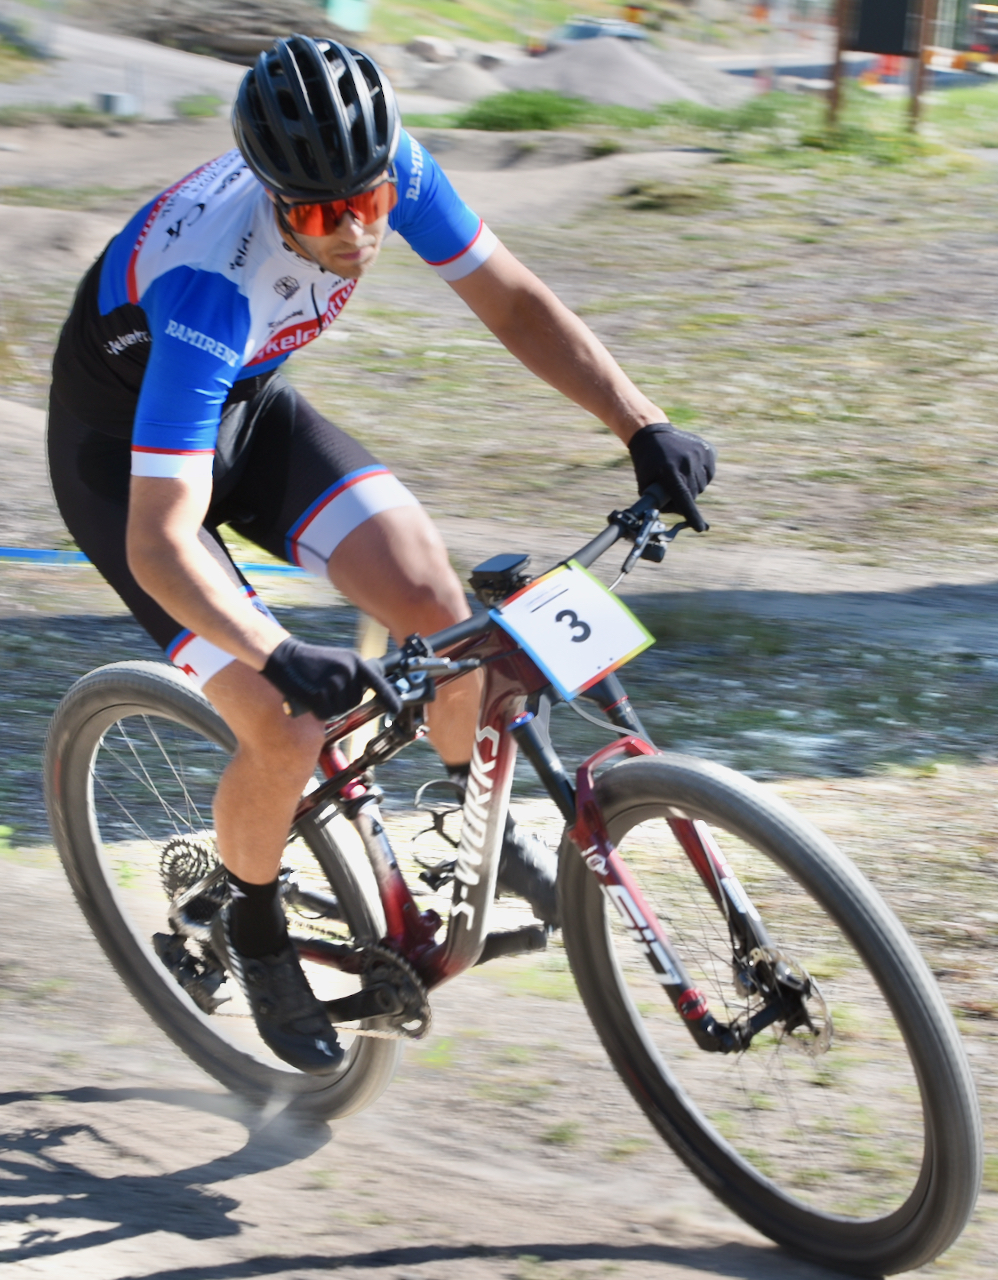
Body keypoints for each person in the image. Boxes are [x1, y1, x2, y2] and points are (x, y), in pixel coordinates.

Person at [47, 35, 715, 1074]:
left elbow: (510, 298)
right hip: (127, 466)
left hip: (244, 413)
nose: (358, 232)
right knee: (285, 721)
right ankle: (255, 931)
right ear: (276, 201)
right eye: (323, 218)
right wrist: (275, 651)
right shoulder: (211, 287)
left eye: (367, 203)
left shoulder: (390, 163)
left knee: (434, 599)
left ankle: (468, 832)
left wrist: (639, 423)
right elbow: (160, 541)